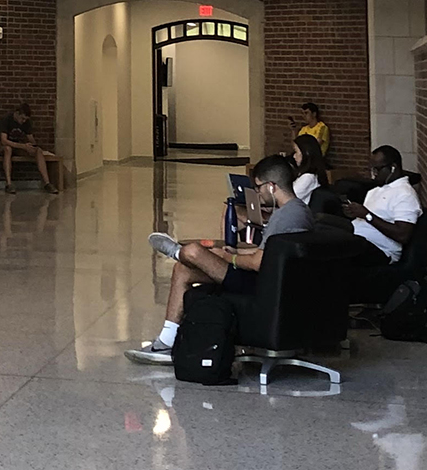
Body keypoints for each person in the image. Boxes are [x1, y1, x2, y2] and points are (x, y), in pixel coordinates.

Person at [126, 154, 314, 363]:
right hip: (272, 278)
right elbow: (269, 254)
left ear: (271, 186)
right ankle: (166, 342)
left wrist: (228, 258)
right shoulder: (298, 211)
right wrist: (233, 254)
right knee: (182, 270)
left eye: (259, 188)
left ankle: (179, 252)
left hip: (263, 284)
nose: (258, 195)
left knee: (195, 252)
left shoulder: (285, 216)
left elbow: (258, 263)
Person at [341, 146, 423, 264]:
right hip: (358, 235)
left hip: (381, 249)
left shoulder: (405, 194)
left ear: (393, 168)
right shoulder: (375, 190)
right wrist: (354, 212)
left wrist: (367, 215)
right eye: (372, 170)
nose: (373, 175)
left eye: (377, 170)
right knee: (321, 224)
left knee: (328, 244)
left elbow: (403, 235)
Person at [0, 102, 57, 194]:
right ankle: (9, 183)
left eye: (25, 119)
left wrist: (32, 147)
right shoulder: (6, 120)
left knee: (38, 151)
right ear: (17, 114)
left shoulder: (27, 123)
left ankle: (47, 183)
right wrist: (22, 146)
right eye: (22, 118)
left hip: (18, 145)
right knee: (7, 149)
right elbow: (3, 140)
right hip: (3, 145)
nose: (23, 121)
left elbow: (31, 139)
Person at [289, 132, 330, 205]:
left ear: (306, 153)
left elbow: (289, 199)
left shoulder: (308, 178)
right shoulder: (303, 174)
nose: (294, 156)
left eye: (296, 152)